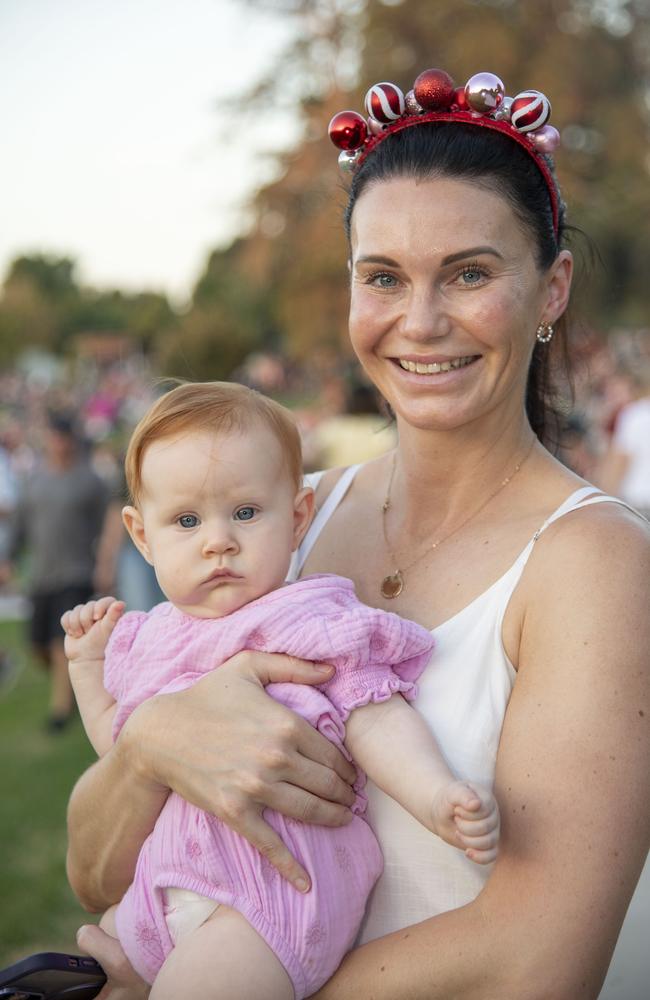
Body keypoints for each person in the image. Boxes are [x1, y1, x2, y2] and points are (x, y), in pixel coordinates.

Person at [66, 67, 649, 1000]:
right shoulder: (284, 519)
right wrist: (152, 746)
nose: (420, 322)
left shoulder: (595, 562)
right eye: (383, 276)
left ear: (551, 291)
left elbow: (539, 958)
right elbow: (95, 877)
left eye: (469, 272)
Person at [61, 381, 499, 1000]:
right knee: (99, 952)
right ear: (141, 535)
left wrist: (433, 794)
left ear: (296, 518)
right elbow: (121, 745)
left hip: (271, 898)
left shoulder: (306, 618)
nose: (218, 540)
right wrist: (86, 669)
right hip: (168, 887)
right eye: (186, 521)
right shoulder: (151, 638)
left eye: (245, 513)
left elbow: (374, 714)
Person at [3, 412, 108, 729]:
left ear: (72, 440)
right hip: (41, 575)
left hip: (76, 572)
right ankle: (74, 682)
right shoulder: (34, 482)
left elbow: (108, 524)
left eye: (65, 437)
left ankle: (60, 711)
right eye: (55, 437)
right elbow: (20, 526)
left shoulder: (90, 481)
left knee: (58, 641)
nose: (60, 444)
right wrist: (6, 558)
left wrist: (106, 563)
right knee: (39, 647)